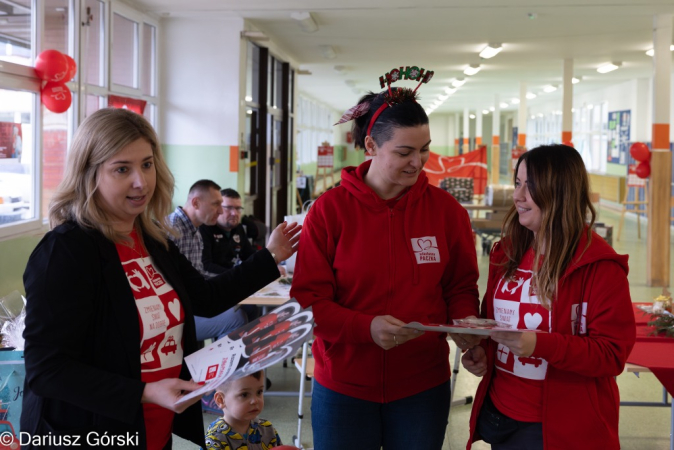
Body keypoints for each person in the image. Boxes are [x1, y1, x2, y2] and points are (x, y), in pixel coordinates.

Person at [21, 108, 283, 449]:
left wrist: (271, 256)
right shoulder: (66, 252)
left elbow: (205, 297)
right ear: (89, 174)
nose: (141, 182)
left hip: (153, 428)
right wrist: (143, 392)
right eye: (121, 169)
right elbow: (46, 370)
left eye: (147, 164)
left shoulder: (151, 240)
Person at [290, 74, 481, 450]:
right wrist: (366, 328)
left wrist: (467, 326)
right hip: (344, 385)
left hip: (421, 385)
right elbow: (309, 301)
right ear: (371, 146)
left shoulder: (446, 213)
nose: (418, 162)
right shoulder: (330, 212)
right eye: (404, 152)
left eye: (424, 149)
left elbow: (459, 286)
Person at [461, 144, 636, 450]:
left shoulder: (598, 266)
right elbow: (499, 324)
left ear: (561, 192)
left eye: (531, 187)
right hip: (501, 414)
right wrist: (482, 350)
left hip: (558, 427)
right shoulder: (507, 252)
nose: (518, 196)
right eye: (518, 184)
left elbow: (611, 354)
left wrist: (539, 344)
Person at [168, 182, 300, 341]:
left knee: (248, 310)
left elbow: (199, 276)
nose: (220, 211)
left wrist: (269, 260)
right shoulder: (172, 230)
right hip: (176, 314)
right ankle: (224, 365)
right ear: (195, 203)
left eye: (237, 208)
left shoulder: (195, 231)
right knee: (236, 318)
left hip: (194, 304)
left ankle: (248, 364)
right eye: (218, 205)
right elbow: (198, 284)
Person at [204, 371, 283, 450]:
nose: (255, 401)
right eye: (244, 394)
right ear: (221, 400)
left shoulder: (267, 428)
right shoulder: (214, 440)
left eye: (259, 392)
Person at [200, 188, 257, 272]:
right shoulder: (204, 229)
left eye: (238, 209)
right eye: (228, 208)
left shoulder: (238, 228)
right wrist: (236, 275)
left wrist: (268, 263)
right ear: (218, 208)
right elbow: (205, 265)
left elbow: (249, 255)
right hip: (215, 281)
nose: (234, 213)